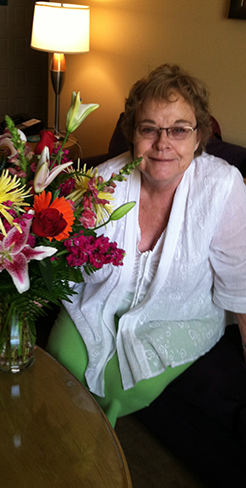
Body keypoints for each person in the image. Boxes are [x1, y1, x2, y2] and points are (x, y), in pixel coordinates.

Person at [46, 64, 246, 427]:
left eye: (179, 130)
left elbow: (240, 282)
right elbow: (71, 257)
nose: (162, 144)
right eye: (149, 129)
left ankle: (89, 465)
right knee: (60, 359)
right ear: (132, 134)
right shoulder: (103, 181)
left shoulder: (222, 187)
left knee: (123, 388)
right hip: (100, 299)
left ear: (198, 136)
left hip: (178, 313)